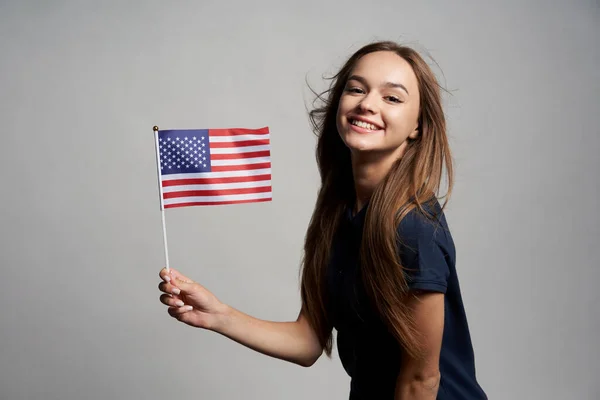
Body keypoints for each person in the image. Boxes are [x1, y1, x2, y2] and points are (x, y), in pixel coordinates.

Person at [158, 40, 487, 399]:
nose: (367, 103)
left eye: (392, 98)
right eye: (356, 89)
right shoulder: (338, 215)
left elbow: (420, 381)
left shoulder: (414, 228)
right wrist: (218, 316)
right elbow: (308, 340)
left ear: (418, 127)